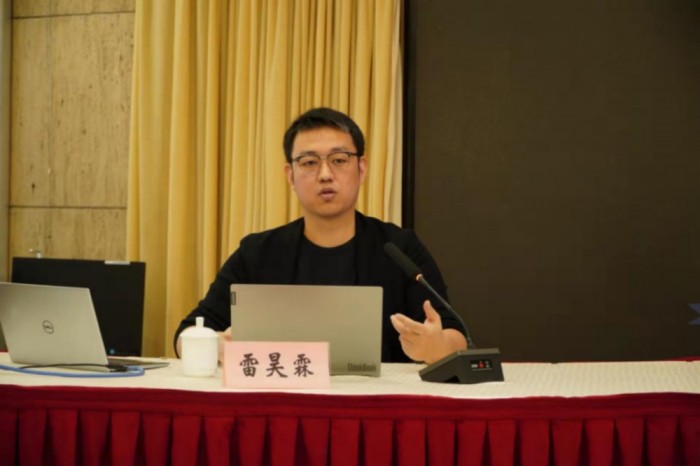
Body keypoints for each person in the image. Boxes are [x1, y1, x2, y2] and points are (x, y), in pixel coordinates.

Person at [174, 107, 467, 364]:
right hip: (284, 402)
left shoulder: (399, 249)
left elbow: (457, 335)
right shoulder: (259, 252)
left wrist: (437, 346)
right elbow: (186, 334)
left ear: (361, 169)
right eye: (309, 162)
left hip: (377, 402)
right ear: (290, 175)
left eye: (339, 160)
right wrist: (215, 347)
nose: (325, 174)